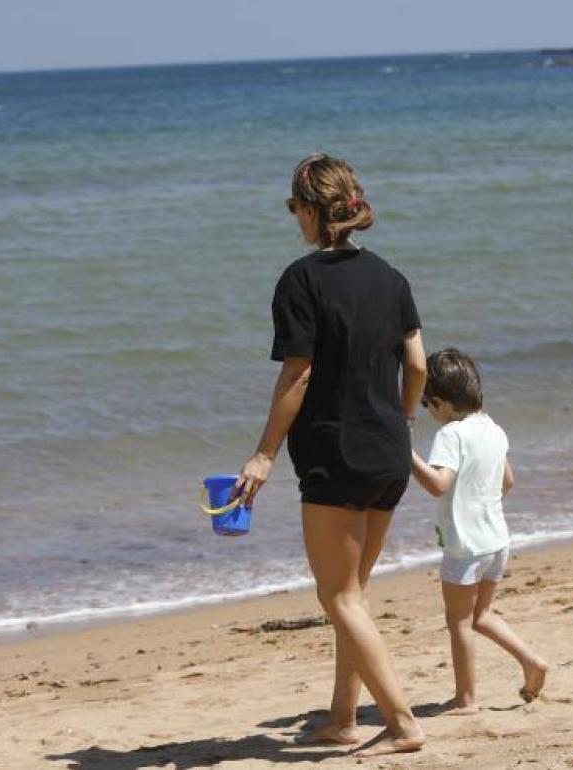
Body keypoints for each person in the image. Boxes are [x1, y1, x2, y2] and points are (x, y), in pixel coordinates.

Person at [233, 153, 426, 757]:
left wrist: (263, 456)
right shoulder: (392, 278)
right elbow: (417, 365)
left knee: (338, 598)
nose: (295, 220)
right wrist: (404, 417)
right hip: (389, 451)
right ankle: (344, 717)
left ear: (312, 210)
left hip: (334, 455)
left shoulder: (301, 280)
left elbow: (298, 376)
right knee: (353, 598)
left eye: (295, 209)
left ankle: (401, 723)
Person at [410, 349, 548, 715]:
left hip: (464, 547)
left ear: (438, 401)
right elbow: (508, 481)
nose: (427, 411)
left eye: (426, 404)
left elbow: (439, 484)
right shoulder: (493, 429)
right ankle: (530, 660)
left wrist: (404, 454)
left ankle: (465, 698)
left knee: (458, 622)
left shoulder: (450, 435)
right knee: (482, 615)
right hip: (496, 541)